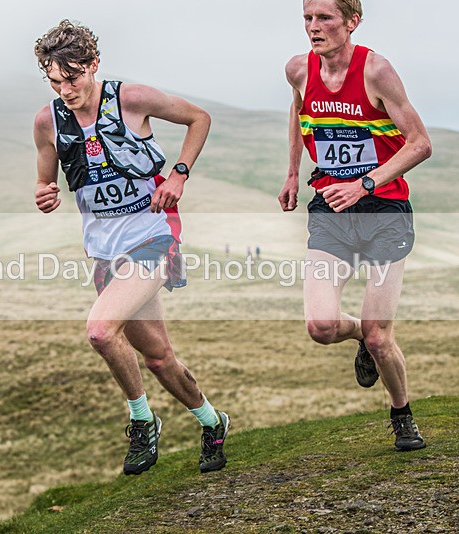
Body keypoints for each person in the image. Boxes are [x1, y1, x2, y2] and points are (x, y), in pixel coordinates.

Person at [32, 20, 230, 475]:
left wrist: (179, 174)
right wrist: (44, 193)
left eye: (74, 77)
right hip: (104, 252)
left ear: (94, 65)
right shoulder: (48, 121)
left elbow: (199, 118)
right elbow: (44, 179)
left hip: (153, 236)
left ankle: (141, 421)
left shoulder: (131, 98)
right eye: (55, 81)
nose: (66, 90)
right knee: (159, 358)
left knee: (101, 331)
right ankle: (212, 421)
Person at [277, 0, 432, 451]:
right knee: (321, 326)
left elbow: (420, 144)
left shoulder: (376, 72)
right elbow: (298, 111)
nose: (313, 27)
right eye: (307, 18)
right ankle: (359, 336)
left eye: (324, 18)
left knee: (380, 334)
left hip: (384, 212)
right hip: (331, 208)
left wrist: (365, 183)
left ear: (352, 22)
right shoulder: (297, 70)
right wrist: (292, 171)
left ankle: (401, 413)